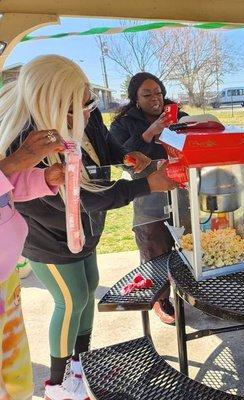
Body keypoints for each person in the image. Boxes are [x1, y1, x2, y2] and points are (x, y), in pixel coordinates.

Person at [4, 55, 177, 400]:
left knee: (89, 289)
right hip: (49, 239)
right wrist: (146, 186)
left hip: (84, 231)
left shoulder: (85, 111)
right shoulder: (29, 141)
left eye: (88, 102)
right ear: (48, 104)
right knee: (71, 300)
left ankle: (78, 366)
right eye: (75, 108)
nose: (86, 113)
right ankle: (57, 382)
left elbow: (105, 147)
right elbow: (81, 198)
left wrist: (128, 157)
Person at [110, 72, 189, 325]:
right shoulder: (123, 124)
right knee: (153, 244)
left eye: (158, 92)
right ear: (135, 98)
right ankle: (161, 298)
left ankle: (189, 290)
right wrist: (148, 133)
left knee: (188, 242)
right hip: (147, 194)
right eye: (147, 94)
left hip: (182, 191)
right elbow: (121, 159)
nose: (155, 99)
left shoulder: (178, 115)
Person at [0, 129, 64, 400]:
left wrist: (42, 179)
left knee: (14, 373)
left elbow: (5, 189)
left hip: (6, 277)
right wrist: (15, 161)